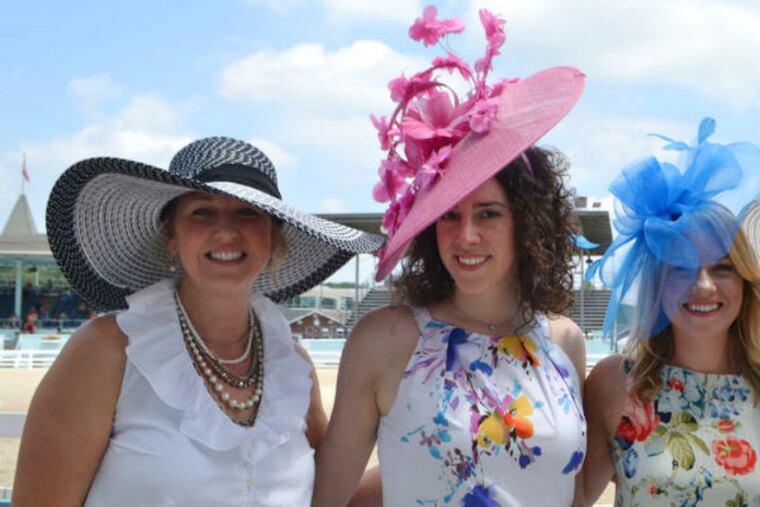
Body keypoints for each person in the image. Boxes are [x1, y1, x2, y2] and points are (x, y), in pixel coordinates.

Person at [312, 6, 587, 506]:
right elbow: (330, 497)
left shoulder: (565, 343)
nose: (466, 236)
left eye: (488, 214)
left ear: (526, 224)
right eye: (448, 216)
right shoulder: (384, 340)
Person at [12, 137, 383, 506]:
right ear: (173, 235)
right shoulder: (106, 351)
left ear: (272, 237)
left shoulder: (293, 365)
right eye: (202, 212)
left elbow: (331, 496)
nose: (225, 231)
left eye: (248, 212)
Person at [581, 119, 760, 506]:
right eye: (681, 266)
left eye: (722, 267)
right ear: (658, 283)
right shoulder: (615, 384)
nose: (704, 285)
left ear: (744, 282)